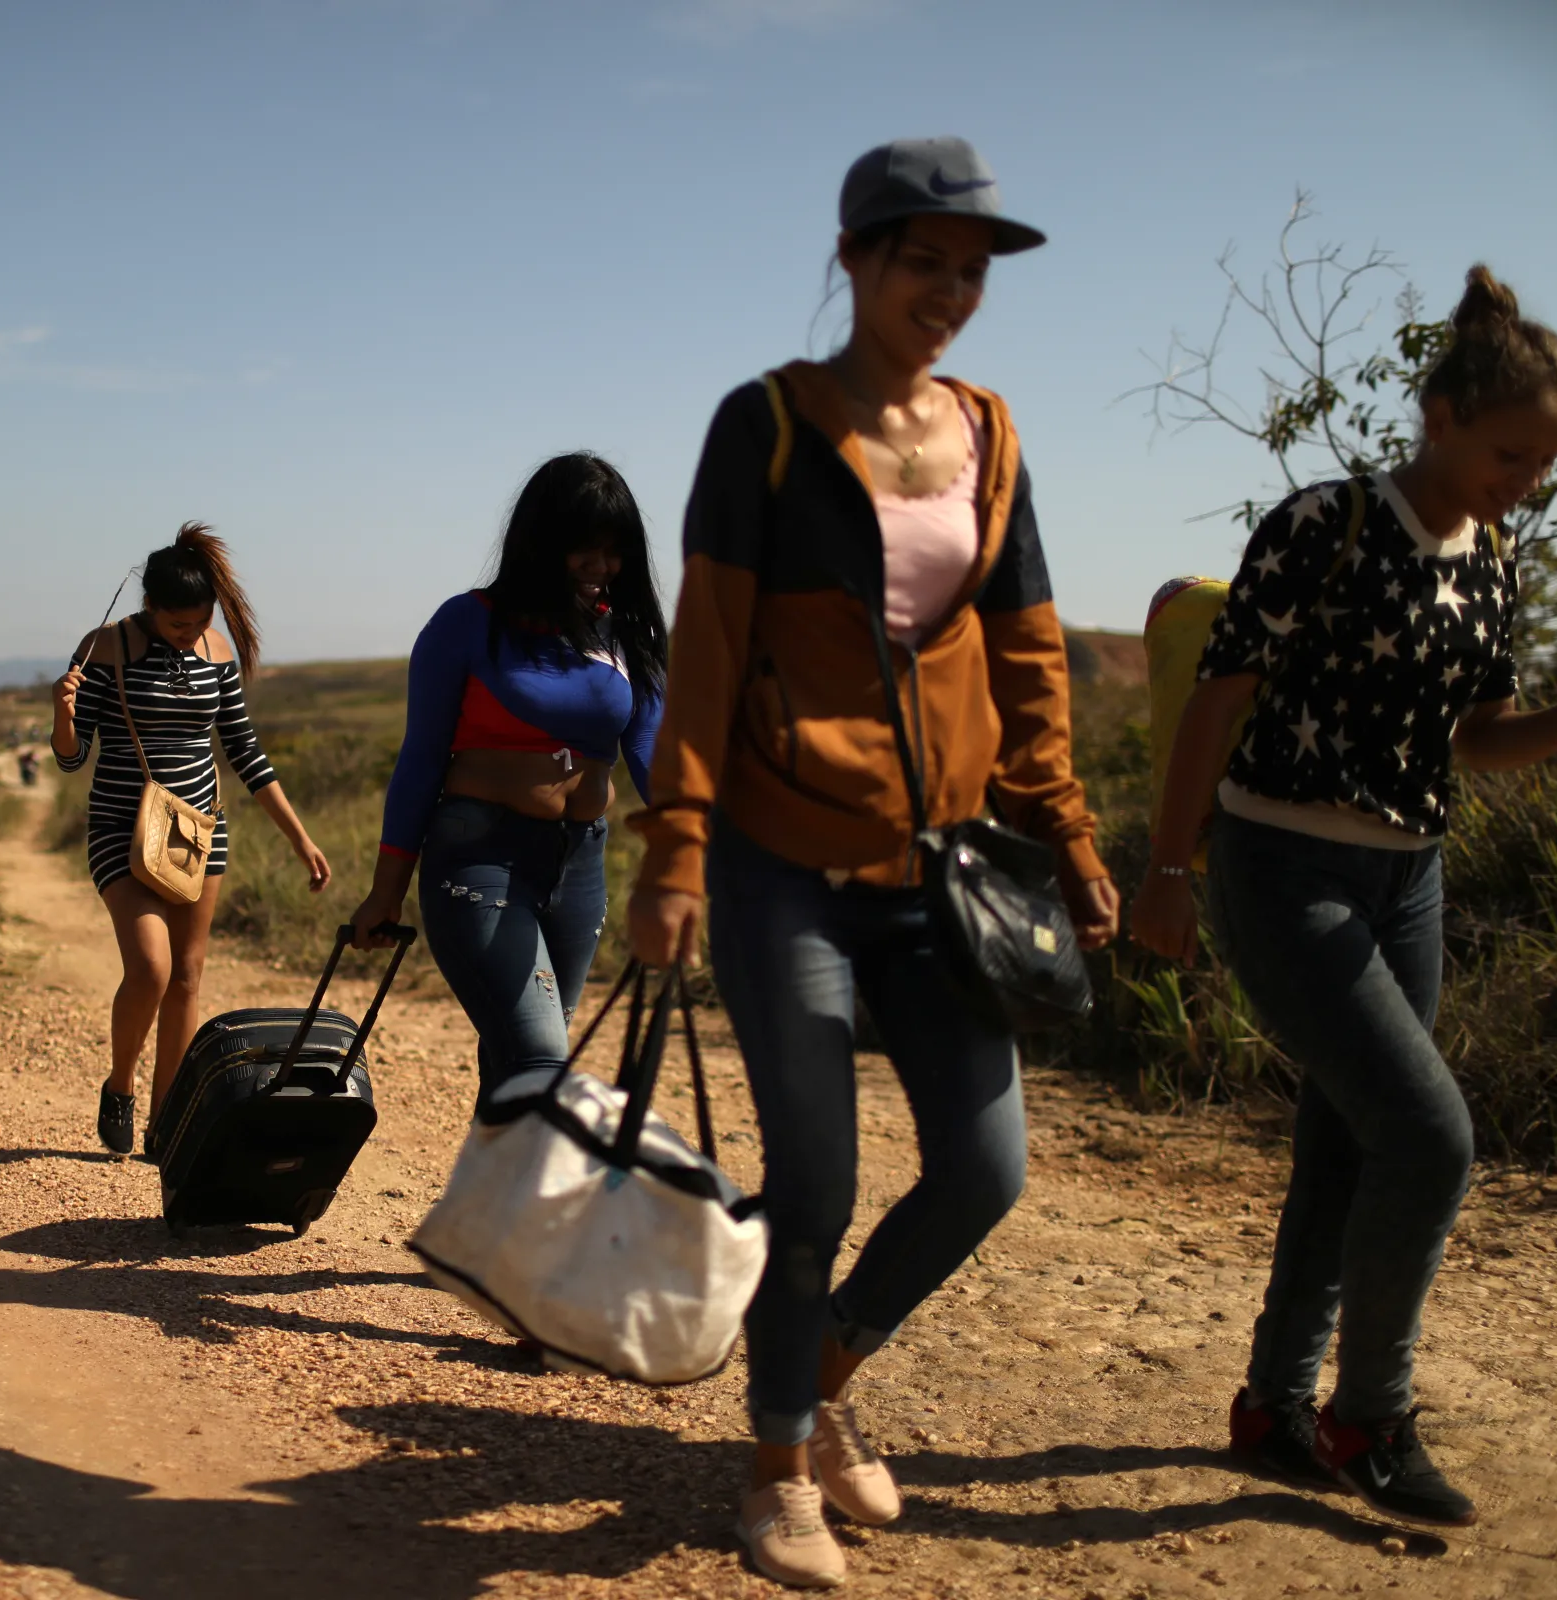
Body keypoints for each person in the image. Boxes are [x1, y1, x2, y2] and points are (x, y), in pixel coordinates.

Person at [626, 138, 1118, 1588]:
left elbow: (1026, 650)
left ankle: (819, 1369)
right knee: (820, 1180)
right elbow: (707, 648)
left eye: (970, 273)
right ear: (853, 260)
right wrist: (678, 850)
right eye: (924, 264)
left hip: (945, 866)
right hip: (785, 860)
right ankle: (778, 1470)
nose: (950, 295)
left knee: (985, 1167)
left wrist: (1069, 830)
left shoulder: (992, 434)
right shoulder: (767, 425)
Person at [1131, 267, 1557, 1528]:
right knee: (1431, 1136)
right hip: (1282, 865)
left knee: (1348, 1143)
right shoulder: (1325, 525)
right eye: (1511, 453)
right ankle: (1372, 1411)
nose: (1526, 479)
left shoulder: (1496, 559)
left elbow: (1470, 740)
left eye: (1545, 461)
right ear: (1442, 416)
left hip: (1408, 874)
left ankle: (1274, 1406)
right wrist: (1168, 868)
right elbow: (1218, 702)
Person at [347, 453, 664, 1106]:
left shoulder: (626, 634)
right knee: (541, 1063)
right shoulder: (467, 625)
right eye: (585, 550)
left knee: (517, 1073)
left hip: (581, 864)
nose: (601, 568)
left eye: (614, 552)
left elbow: (652, 754)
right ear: (542, 543)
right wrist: (386, 893)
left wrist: (700, 853)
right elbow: (419, 763)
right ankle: (518, 1205)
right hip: (480, 858)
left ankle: (488, 1207)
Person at [54, 524, 331, 1158]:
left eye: (198, 622)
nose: (190, 634)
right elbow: (73, 761)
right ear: (150, 606)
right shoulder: (107, 646)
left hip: (195, 835)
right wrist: (63, 716)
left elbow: (244, 751)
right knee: (149, 969)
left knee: (186, 976)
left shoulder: (217, 651)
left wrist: (299, 838)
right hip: (120, 832)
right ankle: (120, 1086)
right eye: (178, 624)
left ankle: (166, 1123)